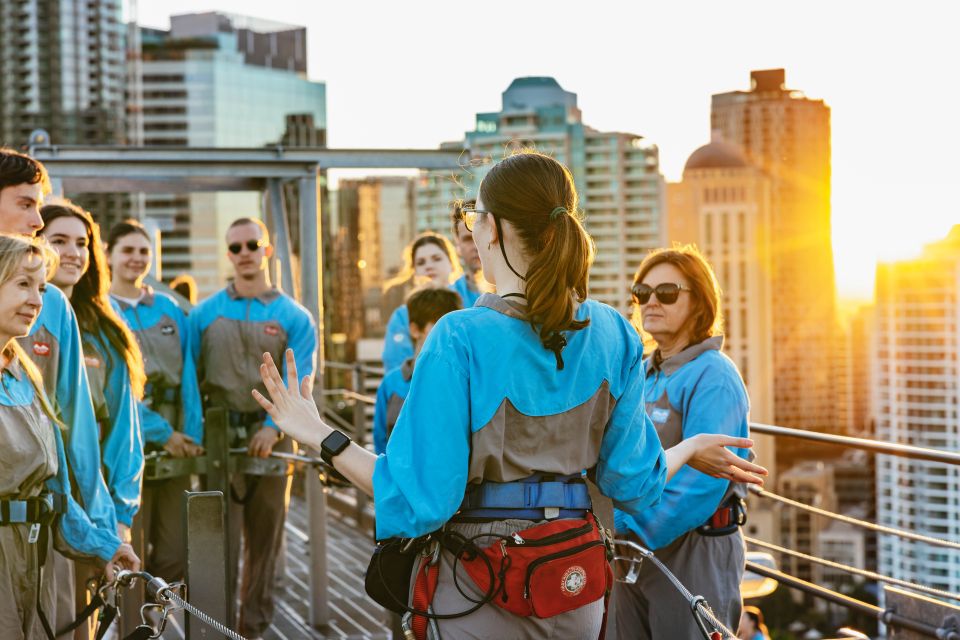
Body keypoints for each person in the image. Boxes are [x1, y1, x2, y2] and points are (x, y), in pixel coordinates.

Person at [252, 151, 766, 638]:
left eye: (475, 215)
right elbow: (633, 481)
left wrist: (318, 433)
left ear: (491, 228)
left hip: (481, 586)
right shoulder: (615, 333)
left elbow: (419, 500)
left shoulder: (458, 338)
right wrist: (689, 448)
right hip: (575, 587)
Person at [0, 234, 138, 639]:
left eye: (41, 287)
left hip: (35, 562)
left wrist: (103, 546)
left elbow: (54, 493)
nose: (37, 300)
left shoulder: (25, 373)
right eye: (22, 284)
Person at [612, 246, 751, 639]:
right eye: (642, 292)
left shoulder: (714, 376)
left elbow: (703, 483)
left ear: (699, 301)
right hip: (630, 550)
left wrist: (620, 525)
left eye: (667, 292)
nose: (651, 301)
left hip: (692, 548)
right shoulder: (641, 372)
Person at [189, 216, 317, 639]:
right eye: (236, 247)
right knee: (216, 543)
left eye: (252, 245)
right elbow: (191, 377)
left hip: (269, 441)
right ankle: (216, 626)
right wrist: (196, 432)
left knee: (266, 543)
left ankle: (254, 629)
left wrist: (272, 427)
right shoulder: (204, 313)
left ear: (268, 250)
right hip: (218, 438)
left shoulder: (294, 317)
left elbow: (300, 379)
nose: (244, 253)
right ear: (229, 254)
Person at [107, 219, 203, 582]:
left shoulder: (169, 308)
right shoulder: (101, 310)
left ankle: (155, 621)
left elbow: (190, 375)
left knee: (176, 549)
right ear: (109, 255)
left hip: (176, 444)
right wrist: (161, 433)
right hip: (122, 444)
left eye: (143, 251)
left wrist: (189, 433)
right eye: (127, 250)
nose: (136, 258)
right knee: (129, 544)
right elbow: (113, 388)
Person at [372, 287, 462, 454]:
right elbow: (380, 444)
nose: (448, 332)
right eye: (437, 324)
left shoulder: (462, 380)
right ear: (415, 330)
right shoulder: (391, 384)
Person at [381, 231, 461, 371]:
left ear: (451, 264)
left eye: (436, 258)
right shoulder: (401, 317)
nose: (429, 266)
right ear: (414, 272)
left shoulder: (470, 307)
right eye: (421, 262)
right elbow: (397, 370)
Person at [449, 199, 485, 308]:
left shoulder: (520, 290)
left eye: (481, 236)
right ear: (458, 245)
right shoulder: (449, 297)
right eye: (468, 239)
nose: (476, 246)